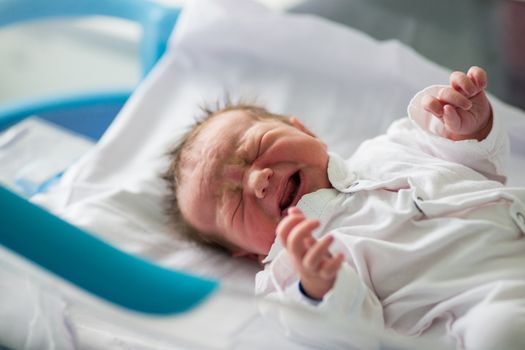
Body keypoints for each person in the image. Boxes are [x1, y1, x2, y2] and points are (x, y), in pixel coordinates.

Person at [163, 67, 525, 349]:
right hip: (481, 305)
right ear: (245, 252)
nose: (258, 181)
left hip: (515, 222)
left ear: (302, 129)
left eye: (256, 148)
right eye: (234, 202)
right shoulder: (289, 278)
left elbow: (480, 166)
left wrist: (470, 128)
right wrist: (321, 289)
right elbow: (352, 337)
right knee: (501, 335)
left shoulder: (390, 145)